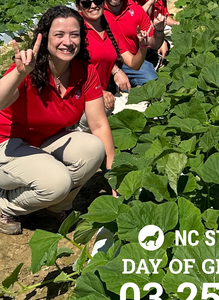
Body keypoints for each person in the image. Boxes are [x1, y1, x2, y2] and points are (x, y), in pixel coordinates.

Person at [0, 6, 115, 235]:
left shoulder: (85, 71)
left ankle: (56, 204)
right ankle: (5, 206)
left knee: (93, 148)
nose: (67, 41)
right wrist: (19, 74)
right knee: (56, 182)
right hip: (6, 144)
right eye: (59, 34)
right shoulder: (28, 68)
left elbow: (99, 125)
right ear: (44, 38)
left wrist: (114, 180)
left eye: (74, 34)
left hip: (45, 142)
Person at [75, 0, 131, 132]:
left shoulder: (106, 25)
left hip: (101, 92)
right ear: (78, 6)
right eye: (87, 3)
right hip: (79, 95)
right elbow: (72, 71)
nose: (93, 5)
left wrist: (116, 70)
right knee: (104, 107)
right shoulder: (76, 30)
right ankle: (79, 131)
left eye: (97, 0)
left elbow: (132, 62)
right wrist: (98, 91)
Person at [103, 0, 166, 87]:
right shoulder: (94, 10)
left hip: (131, 61)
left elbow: (153, 44)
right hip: (102, 62)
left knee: (153, 85)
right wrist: (115, 70)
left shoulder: (135, 9)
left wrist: (159, 31)